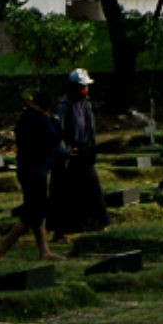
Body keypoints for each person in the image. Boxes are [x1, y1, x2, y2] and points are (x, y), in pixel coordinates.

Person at [0, 87, 61, 261]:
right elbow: (55, 138)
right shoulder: (42, 119)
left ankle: (44, 251)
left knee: (37, 212)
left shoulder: (24, 119)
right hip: (37, 171)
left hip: (25, 169)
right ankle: (1, 251)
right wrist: (56, 121)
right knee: (31, 215)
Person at [51, 68, 107, 240]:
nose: (85, 90)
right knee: (64, 194)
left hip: (84, 152)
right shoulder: (64, 106)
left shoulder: (86, 104)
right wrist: (65, 152)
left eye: (86, 87)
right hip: (69, 154)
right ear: (74, 87)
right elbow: (58, 132)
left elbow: (90, 130)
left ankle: (92, 224)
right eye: (82, 87)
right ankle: (60, 231)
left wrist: (91, 149)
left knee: (92, 189)